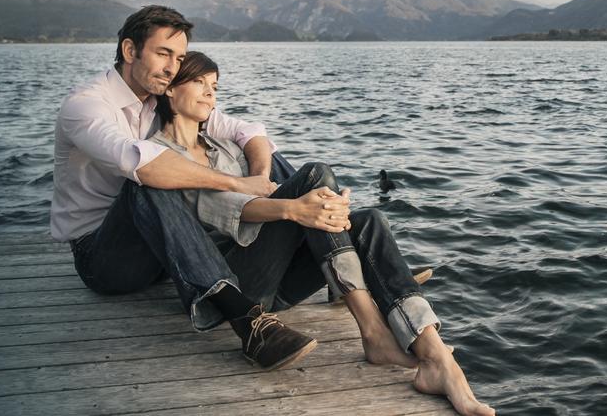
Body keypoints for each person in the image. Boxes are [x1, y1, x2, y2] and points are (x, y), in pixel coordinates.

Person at [150, 50, 494, 416]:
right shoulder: (160, 155)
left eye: (214, 86)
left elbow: (260, 164)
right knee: (316, 177)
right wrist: (296, 208)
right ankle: (374, 332)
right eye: (199, 82)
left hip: (277, 280)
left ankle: (436, 355)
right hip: (236, 285)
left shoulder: (224, 146)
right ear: (170, 89)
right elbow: (224, 210)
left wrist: (327, 210)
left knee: (370, 221)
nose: (210, 94)